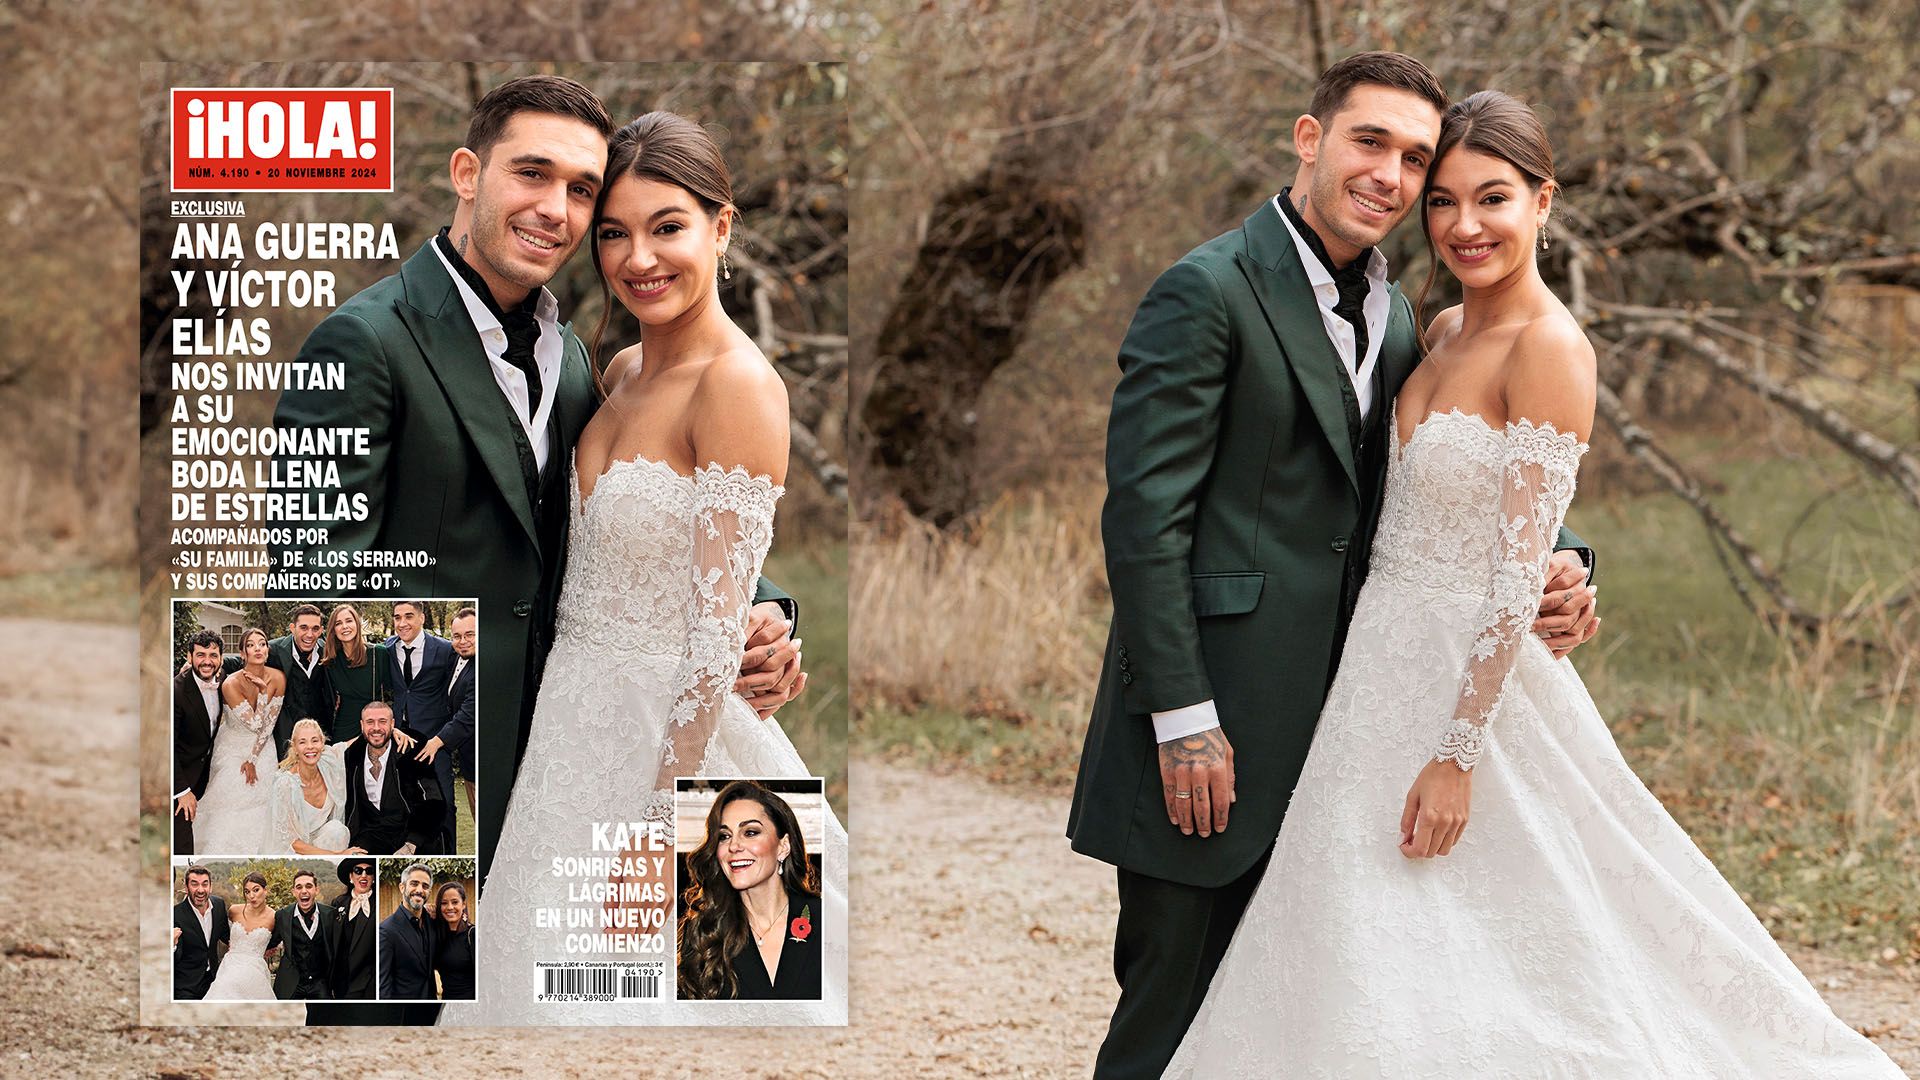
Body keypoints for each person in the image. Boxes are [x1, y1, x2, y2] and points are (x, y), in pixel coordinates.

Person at [1164, 91, 1905, 1077]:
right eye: (1443, 201)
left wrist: (1457, 754)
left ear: (1543, 201)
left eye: (1494, 199)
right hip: (1374, 676)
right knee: (1368, 939)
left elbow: (1516, 573)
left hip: (1468, 692)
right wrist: (1562, 561)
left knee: (1518, 949)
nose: (1463, 225)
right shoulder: (1435, 332)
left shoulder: (1551, 347)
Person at [1066, 53, 1606, 1077]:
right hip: (1215, 726)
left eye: (1416, 160)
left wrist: (1564, 559)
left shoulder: (1405, 317)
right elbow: (1144, 525)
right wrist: (1182, 719)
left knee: (1301, 1023)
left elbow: (1449, 480)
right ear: (1311, 140)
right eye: (1372, 142)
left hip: (1357, 728)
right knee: (1169, 1021)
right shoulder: (1206, 291)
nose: (1392, 177)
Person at [276, 75, 808, 1027]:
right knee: (384, 1026)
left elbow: (631, 522)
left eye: (580, 190)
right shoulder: (360, 342)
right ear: (467, 174)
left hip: (574, 755)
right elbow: (312, 585)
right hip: (432, 775)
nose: (557, 209)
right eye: (532, 174)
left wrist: (764, 606)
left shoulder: (578, 361)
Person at [439, 110, 844, 1026]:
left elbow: (714, 631)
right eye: (615, 233)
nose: (639, 259)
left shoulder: (739, 384)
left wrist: (666, 832)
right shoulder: (618, 370)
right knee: (526, 1002)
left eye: (667, 227)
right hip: (568, 734)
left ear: (722, 227)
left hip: (666, 745)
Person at [678, 781, 822, 1001]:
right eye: (724, 836)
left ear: (783, 846)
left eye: (750, 832)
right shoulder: (703, 933)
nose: (734, 846)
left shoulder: (826, 919)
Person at [193, 628, 286, 855]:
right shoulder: (230, 683)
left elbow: (268, 725)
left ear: (268, 650)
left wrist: (253, 759)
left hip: (263, 746)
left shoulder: (278, 677)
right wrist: (262, 692)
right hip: (233, 745)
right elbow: (254, 723)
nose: (257, 649)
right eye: (251, 645)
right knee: (233, 787)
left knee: (265, 795)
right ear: (243, 653)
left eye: (262, 644)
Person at [216, 604, 331, 760]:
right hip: (286, 729)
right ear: (292, 628)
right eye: (303, 628)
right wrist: (215, 663)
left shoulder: (328, 650)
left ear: (321, 630)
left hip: (320, 729)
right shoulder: (275, 649)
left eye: (315, 628)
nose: (309, 634)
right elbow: (246, 659)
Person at [340, 701, 440, 855]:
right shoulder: (351, 757)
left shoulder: (412, 751)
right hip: (372, 833)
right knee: (357, 858)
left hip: (411, 832)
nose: (376, 727)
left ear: (392, 724)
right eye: (370, 722)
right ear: (362, 725)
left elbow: (433, 801)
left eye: (382, 721)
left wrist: (412, 843)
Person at [268, 718, 361, 855]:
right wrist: (337, 855)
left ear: (322, 743)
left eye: (315, 740)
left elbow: (355, 743)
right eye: (302, 742)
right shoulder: (285, 784)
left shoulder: (328, 760)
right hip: (295, 850)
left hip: (324, 841)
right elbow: (290, 842)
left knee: (337, 830)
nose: (310, 746)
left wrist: (389, 731)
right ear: (294, 747)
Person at [172, 631, 226, 857]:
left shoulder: (224, 680)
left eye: (213, 655)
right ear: (189, 657)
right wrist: (181, 791)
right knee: (181, 844)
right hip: (180, 777)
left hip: (209, 775)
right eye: (200, 655)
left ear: (221, 658)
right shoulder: (176, 692)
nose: (207, 661)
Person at [432, 606, 479, 821]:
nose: (463, 641)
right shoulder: (455, 658)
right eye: (457, 636)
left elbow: (468, 715)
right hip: (469, 760)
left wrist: (436, 742)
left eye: (470, 634)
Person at [199, 871, 276, 1001]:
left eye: (256, 890)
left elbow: (278, 940)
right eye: (247, 892)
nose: (251, 896)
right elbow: (221, 931)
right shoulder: (234, 910)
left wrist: (270, 948)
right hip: (230, 966)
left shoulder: (275, 917)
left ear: (265, 890)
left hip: (255, 970)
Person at [266, 868, 339, 1000]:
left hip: (321, 982)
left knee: (327, 1012)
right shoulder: (282, 915)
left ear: (316, 890)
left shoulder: (331, 914)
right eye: (299, 887)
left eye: (309, 886)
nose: (304, 891)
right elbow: (271, 942)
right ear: (293, 892)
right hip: (292, 981)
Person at [320, 603, 388, 744]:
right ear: (333, 630)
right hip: (343, 726)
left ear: (357, 624)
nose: (344, 626)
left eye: (349, 621)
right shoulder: (331, 661)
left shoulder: (378, 653)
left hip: (374, 725)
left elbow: (392, 694)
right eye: (338, 623)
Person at [378, 863, 438, 1000]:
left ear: (429, 892)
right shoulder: (386, 931)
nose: (420, 890)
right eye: (414, 884)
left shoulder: (432, 922)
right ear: (402, 887)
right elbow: (384, 987)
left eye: (425, 886)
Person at [171, 864, 228, 999]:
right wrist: (171, 944)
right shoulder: (175, 915)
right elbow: (175, 958)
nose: (200, 890)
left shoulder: (219, 905)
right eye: (194, 884)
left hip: (214, 982)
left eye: (205, 884)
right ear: (186, 887)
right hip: (186, 987)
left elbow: (226, 935)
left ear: (210, 887)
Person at [329, 857, 378, 1000]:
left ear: (373, 878)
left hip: (367, 984)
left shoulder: (378, 904)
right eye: (358, 871)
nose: (364, 875)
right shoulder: (338, 903)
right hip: (340, 983)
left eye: (369, 871)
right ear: (351, 876)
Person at [429, 881, 476, 1000]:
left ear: (463, 904)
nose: (450, 907)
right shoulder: (438, 935)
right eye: (444, 903)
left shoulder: (473, 934)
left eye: (455, 902)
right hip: (446, 1003)